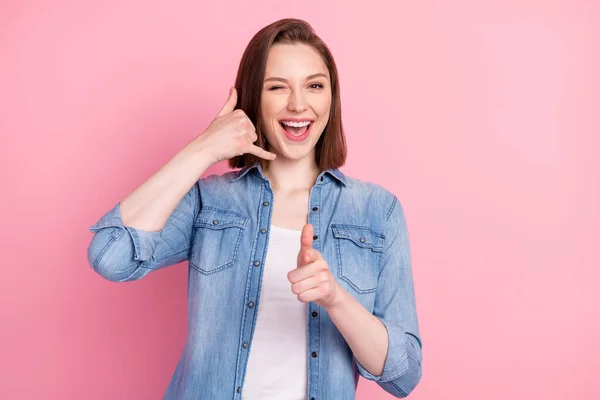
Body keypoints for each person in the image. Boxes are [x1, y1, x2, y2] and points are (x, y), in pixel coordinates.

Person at [87, 18, 422, 400]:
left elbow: (404, 374)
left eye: (314, 85)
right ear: (253, 99)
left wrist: (336, 299)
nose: (299, 104)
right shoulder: (209, 202)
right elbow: (110, 256)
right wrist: (203, 149)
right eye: (278, 87)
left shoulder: (377, 212)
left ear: (332, 97)